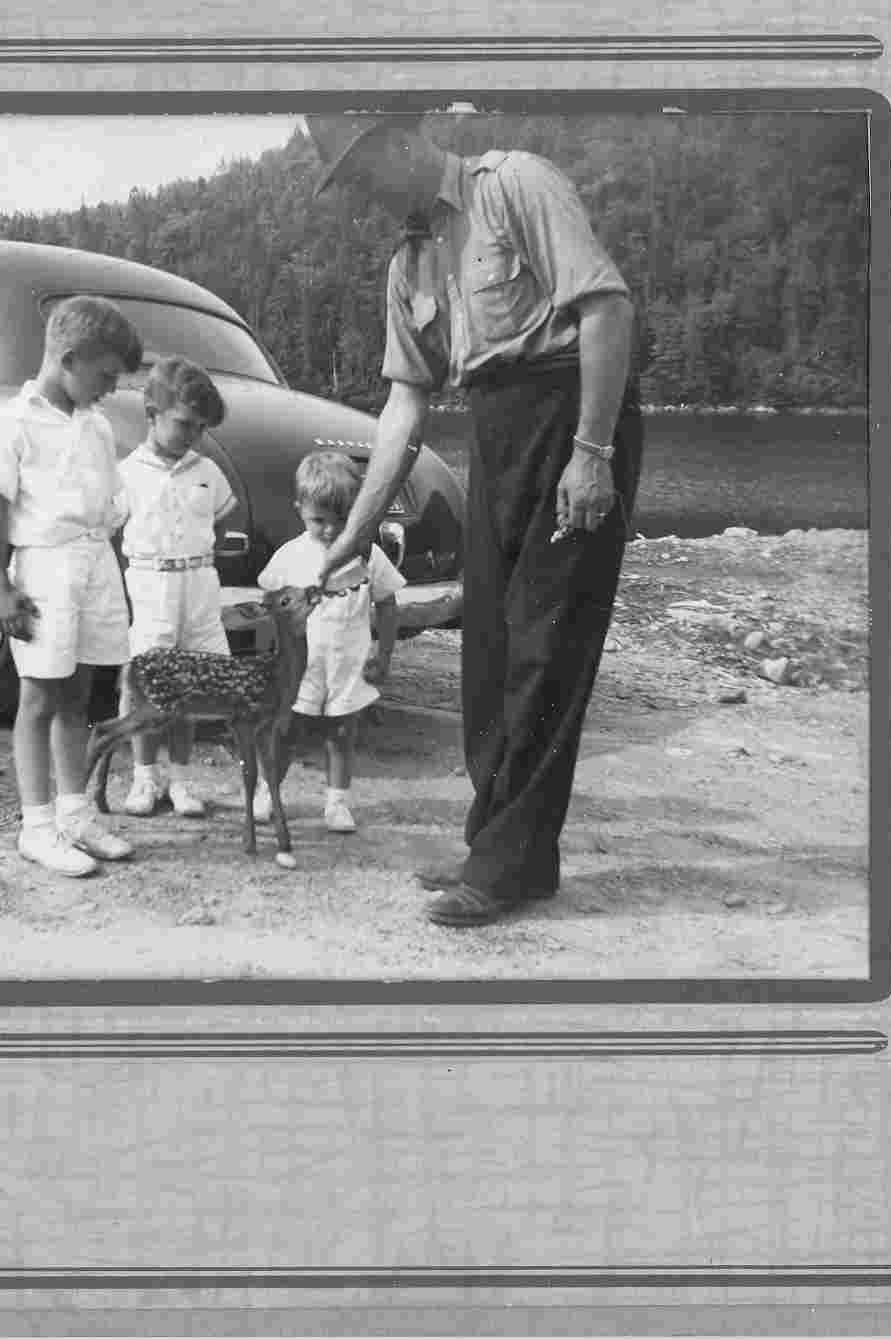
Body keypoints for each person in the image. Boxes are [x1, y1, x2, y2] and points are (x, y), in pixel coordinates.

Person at [303, 112, 643, 927]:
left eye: (360, 173)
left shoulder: (514, 184)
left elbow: (606, 310)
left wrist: (591, 453)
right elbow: (403, 407)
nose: (360, 195)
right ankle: (497, 842)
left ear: (399, 141)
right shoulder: (409, 262)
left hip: (573, 413)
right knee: (489, 645)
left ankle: (509, 864)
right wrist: (353, 532)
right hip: (494, 428)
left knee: (547, 645)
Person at [0, 295, 144, 877]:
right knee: (40, 695)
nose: (110, 389)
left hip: (95, 567)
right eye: (105, 376)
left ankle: (75, 815)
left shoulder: (96, 426)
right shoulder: (14, 421)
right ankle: (37, 827)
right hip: (44, 569)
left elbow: (110, 505)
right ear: (70, 359)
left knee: (80, 692)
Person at [257, 450, 405, 835]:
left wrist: (383, 653)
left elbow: (388, 605)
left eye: (340, 521)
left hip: (347, 664)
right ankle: (267, 792)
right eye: (318, 520)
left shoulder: (368, 555)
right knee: (286, 732)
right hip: (302, 667)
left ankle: (337, 802)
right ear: (300, 510)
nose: (328, 530)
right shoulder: (290, 556)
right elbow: (270, 607)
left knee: (342, 734)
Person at [115, 356, 238, 819]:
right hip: (152, 585)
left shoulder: (207, 471)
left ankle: (182, 780)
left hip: (199, 588)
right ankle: (145, 777)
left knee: (187, 691)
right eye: (185, 424)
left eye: (201, 428)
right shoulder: (127, 473)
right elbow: (110, 529)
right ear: (151, 413)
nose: (194, 436)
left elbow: (221, 527)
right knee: (148, 688)